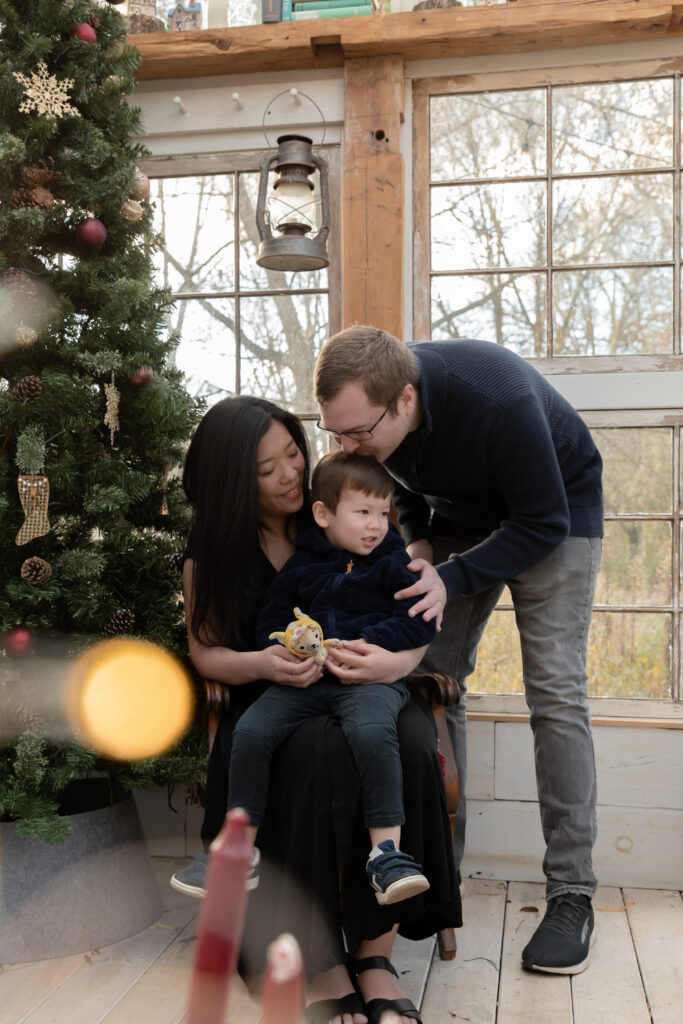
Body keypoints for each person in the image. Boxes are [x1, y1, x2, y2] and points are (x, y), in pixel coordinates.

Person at [314, 327, 603, 976]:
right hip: (462, 515)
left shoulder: (493, 401)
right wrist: (418, 542)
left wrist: (451, 577)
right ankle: (441, 874)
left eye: (358, 434)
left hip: (555, 509)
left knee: (554, 690)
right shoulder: (378, 413)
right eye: (335, 434)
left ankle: (571, 895)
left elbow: (542, 520)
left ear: (405, 400)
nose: (347, 448)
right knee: (432, 677)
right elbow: (407, 486)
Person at [170, 396, 461, 1024]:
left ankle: (376, 955)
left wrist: (390, 665)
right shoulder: (215, 551)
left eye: (293, 453)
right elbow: (206, 653)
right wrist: (264, 664)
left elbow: (413, 615)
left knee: (409, 743)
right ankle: (323, 958)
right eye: (265, 468)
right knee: (314, 756)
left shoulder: (346, 510)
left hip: (372, 679)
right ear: (231, 480)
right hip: (279, 690)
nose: (289, 475)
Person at [228, 451, 437, 907]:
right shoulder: (302, 567)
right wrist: (289, 642)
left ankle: (386, 854)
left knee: (373, 734)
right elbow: (271, 621)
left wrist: (367, 643)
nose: (376, 524)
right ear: (323, 514)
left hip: (368, 681)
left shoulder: (393, 563)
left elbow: (419, 622)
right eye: (362, 512)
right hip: (304, 681)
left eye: (383, 513)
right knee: (251, 730)